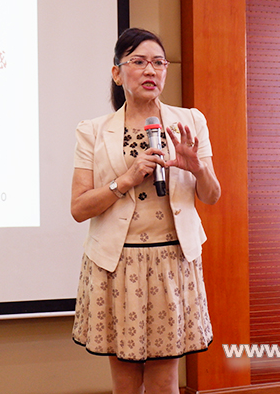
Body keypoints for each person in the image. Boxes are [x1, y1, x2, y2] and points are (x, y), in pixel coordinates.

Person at [70, 28, 221, 394]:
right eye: (138, 62)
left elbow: (212, 195)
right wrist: (125, 179)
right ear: (117, 73)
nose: (150, 70)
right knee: (125, 384)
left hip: (172, 263)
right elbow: (79, 208)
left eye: (158, 63)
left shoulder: (190, 121)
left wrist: (197, 168)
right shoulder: (93, 131)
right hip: (117, 265)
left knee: (165, 381)